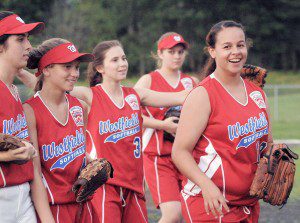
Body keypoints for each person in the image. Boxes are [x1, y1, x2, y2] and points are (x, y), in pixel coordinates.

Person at [69, 40, 190, 222]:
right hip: (105, 185)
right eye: (115, 60)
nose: (122, 63)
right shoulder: (91, 95)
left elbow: (180, 97)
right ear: (100, 68)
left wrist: (221, 82)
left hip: (134, 186)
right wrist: (25, 72)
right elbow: (55, 87)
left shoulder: (135, 95)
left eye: (124, 58)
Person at [172, 20, 273, 223]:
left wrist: (274, 163)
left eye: (240, 45)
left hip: (248, 202)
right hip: (211, 202)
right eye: (227, 47)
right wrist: (206, 185)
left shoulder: (256, 93)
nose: (235, 52)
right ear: (212, 51)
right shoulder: (204, 94)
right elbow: (179, 152)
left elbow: (267, 144)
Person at [22, 38, 100, 223]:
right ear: (46, 69)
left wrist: (89, 161)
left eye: (76, 67)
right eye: (67, 67)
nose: (74, 73)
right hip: (53, 209)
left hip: (85, 206)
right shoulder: (30, 111)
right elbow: (34, 175)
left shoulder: (80, 107)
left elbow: (78, 154)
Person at [135, 32, 198, 223]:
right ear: (160, 53)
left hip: (187, 156)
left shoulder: (191, 82)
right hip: (158, 157)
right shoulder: (149, 80)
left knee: (192, 213)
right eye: (171, 51)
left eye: (181, 52)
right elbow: (128, 114)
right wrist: (162, 125)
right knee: (172, 215)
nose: (177, 56)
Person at [0, 11, 56, 223]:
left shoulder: (13, 89)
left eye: (28, 39)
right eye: (20, 39)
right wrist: (7, 157)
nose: (29, 46)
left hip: (24, 196)